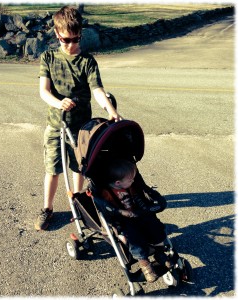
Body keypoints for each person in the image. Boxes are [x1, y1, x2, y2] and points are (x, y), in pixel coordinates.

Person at [34, 6, 122, 231]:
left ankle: (77, 203)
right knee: (52, 169)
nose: (72, 45)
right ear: (56, 34)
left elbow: (98, 90)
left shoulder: (88, 61)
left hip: (82, 128)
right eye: (66, 40)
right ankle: (47, 208)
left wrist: (112, 111)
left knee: (79, 169)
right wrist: (58, 102)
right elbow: (44, 91)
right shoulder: (48, 57)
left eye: (76, 39)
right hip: (56, 125)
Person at [99, 159, 172, 283]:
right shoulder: (107, 193)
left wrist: (147, 207)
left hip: (137, 214)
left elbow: (137, 198)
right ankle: (144, 263)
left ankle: (160, 252)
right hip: (122, 220)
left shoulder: (130, 186)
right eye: (130, 179)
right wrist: (121, 212)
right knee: (133, 237)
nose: (133, 181)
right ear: (118, 182)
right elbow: (108, 208)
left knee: (155, 225)